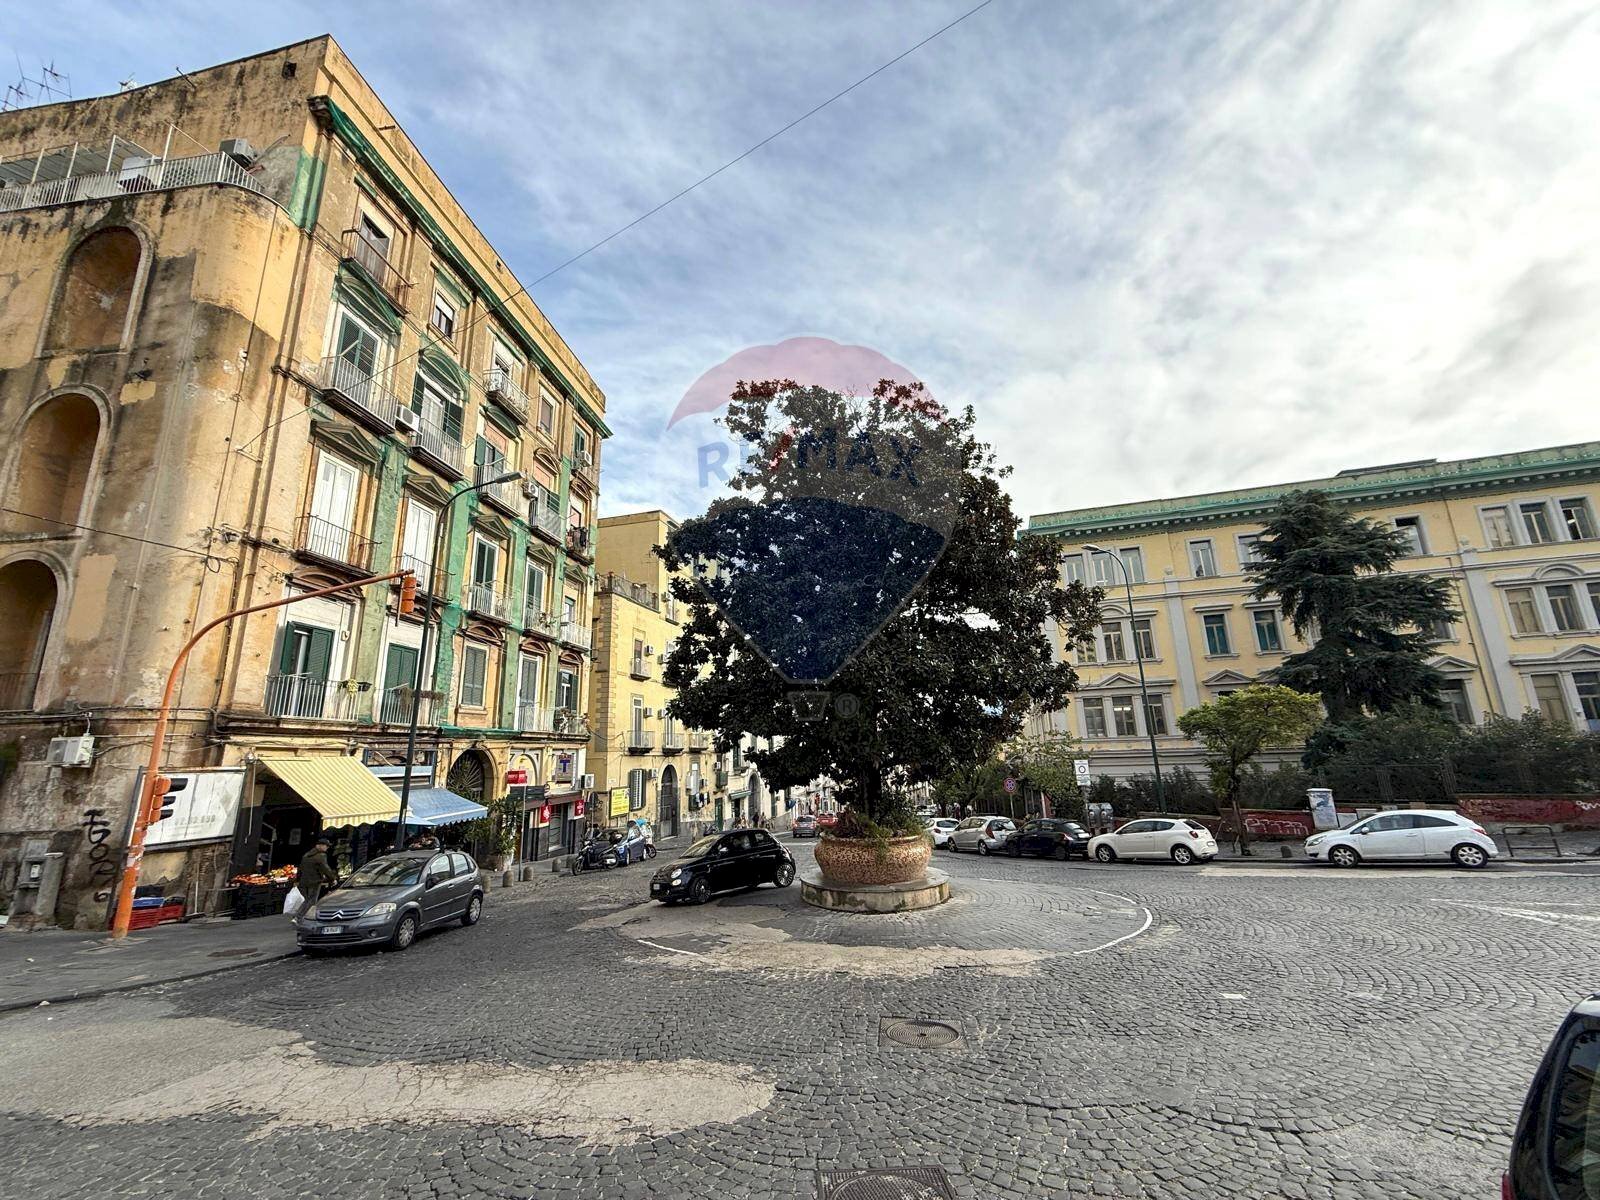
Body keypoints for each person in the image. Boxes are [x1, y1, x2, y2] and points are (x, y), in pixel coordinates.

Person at [295, 836, 339, 918]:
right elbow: (326, 868)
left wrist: (297, 880)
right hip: (314, 881)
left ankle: (300, 916)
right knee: (311, 901)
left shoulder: (306, 855)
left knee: (307, 900)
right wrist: (333, 878)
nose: (327, 848)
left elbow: (300, 868)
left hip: (303, 882)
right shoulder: (321, 856)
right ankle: (299, 917)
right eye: (326, 846)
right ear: (321, 845)